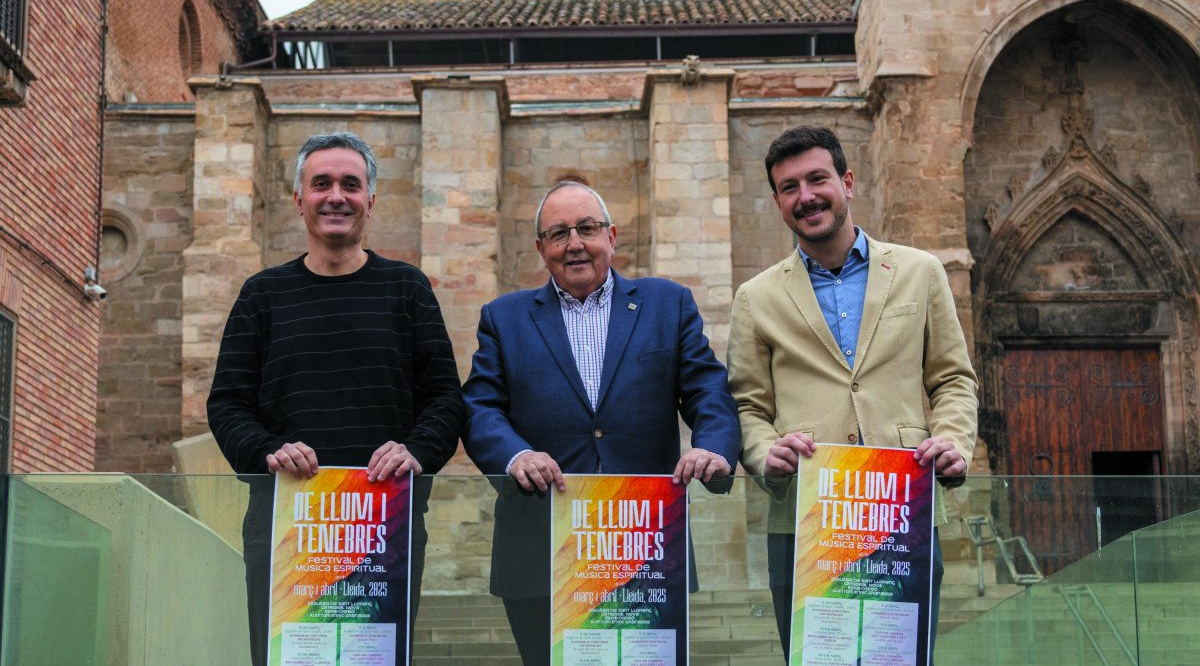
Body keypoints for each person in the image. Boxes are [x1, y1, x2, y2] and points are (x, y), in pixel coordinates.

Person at [207, 131, 464, 666]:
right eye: (320, 184)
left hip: (383, 525)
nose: (336, 196)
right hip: (285, 526)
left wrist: (416, 451)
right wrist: (267, 451)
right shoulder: (263, 294)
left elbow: (444, 398)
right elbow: (227, 403)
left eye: (351, 184)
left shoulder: (407, 289)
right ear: (299, 199)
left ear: (371, 199)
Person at [462, 180, 740, 665]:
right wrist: (516, 454)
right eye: (558, 233)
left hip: (645, 543)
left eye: (586, 228)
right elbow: (479, 406)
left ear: (612, 236)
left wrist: (713, 446)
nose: (574, 243)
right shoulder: (503, 317)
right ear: (541, 249)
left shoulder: (666, 303)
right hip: (541, 545)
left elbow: (707, 390)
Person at [726, 125, 979, 657]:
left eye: (817, 179)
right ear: (777, 202)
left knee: (901, 657)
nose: (806, 196)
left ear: (846, 181)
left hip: (901, 510)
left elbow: (953, 379)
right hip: (804, 519)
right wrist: (762, 453)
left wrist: (953, 441)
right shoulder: (756, 297)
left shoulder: (920, 272)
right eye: (789, 187)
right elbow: (748, 405)